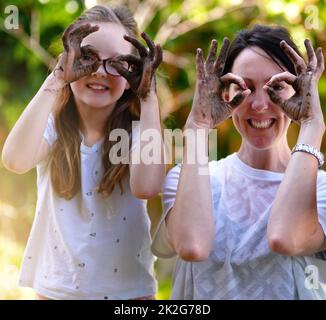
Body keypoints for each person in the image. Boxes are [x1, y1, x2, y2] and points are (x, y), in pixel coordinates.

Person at [2, 4, 165, 300]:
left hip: (129, 295)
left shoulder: (141, 134)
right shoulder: (53, 128)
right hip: (56, 291)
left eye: (118, 64)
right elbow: (14, 160)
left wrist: (149, 96)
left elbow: (147, 187)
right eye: (88, 58)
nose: (100, 72)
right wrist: (56, 80)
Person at [151, 25, 326, 299]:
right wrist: (197, 126)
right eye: (244, 87)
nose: (258, 105)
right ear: (224, 93)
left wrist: (312, 125)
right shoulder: (190, 179)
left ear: (298, 92)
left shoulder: (321, 190)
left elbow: (285, 237)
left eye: (275, 87)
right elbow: (192, 246)